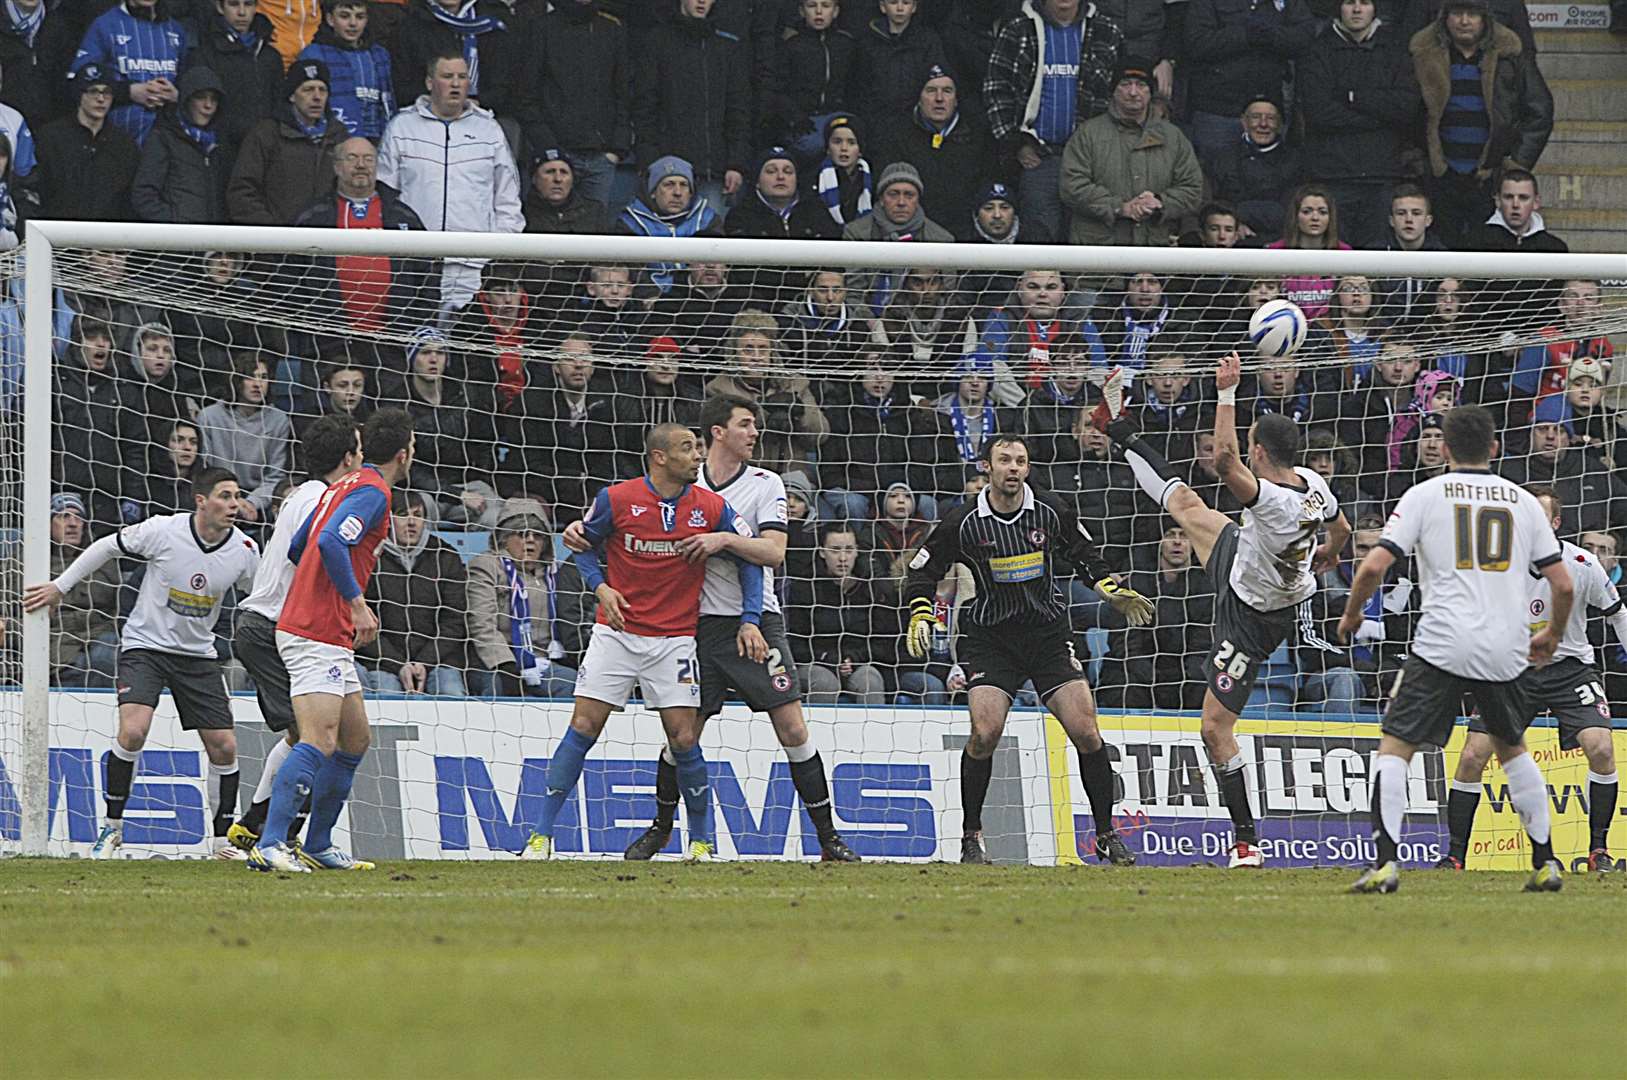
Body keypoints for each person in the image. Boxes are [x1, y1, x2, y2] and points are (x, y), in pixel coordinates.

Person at [1097, 355, 1350, 867]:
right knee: (1187, 505)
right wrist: (1331, 553)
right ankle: (1120, 429)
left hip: (1253, 615)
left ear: (1259, 450)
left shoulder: (1274, 500)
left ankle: (1247, 841)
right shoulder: (1313, 485)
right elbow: (1340, 528)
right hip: (1247, 561)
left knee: (1214, 730)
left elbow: (1225, 462)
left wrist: (1227, 392)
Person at [585, 396, 861, 862]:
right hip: (692, 627)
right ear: (717, 432)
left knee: (792, 728)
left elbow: (773, 553)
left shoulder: (764, 483)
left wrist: (725, 540)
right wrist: (580, 533)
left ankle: (829, 838)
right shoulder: (683, 480)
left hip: (755, 623)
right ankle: (661, 829)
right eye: (745, 425)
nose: (755, 433)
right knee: (683, 735)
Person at [1337, 405, 1571, 894]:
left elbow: (1373, 567)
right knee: (1512, 750)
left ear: (1443, 448)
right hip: (1505, 647)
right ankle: (1547, 861)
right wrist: (1550, 634)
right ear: (1494, 448)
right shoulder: (1524, 502)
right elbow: (1563, 585)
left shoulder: (1424, 495)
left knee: (1395, 746)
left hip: (1441, 643)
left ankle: (1384, 862)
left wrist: (1354, 612)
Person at [903, 432, 1152, 864]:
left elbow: (1084, 554)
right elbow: (922, 571)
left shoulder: (1051, 510)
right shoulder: (962, 521)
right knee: (985, 733)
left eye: (1020, 460)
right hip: (991, 639)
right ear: (988, 467)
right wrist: (922, 611)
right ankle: (971, 837)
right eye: (1004, 460)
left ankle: (1107, 834)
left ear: (1027, 468)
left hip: (1047, 636)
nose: (1013, 467)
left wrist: (1109, 588)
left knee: (1087, 732)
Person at [522, 423, 766, 863]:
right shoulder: (616, 499)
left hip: (673, 639)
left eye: (698, 448)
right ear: (659, 457)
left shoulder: (711, 508)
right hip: (616, 633)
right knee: (582, 727)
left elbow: (751, 560)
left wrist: (750, 620)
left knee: (683, 737)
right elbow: (582, 544)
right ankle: (540, 837)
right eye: (688, 449)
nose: (697, 457)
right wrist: (600, 586)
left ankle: (702, 841)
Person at [22, 467, 260, 860]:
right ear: (201, 501)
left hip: (198, 656)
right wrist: (59, 587)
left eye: (237, 496)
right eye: (225, 495)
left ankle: (222, 843)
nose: (234, 504)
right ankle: (111, 829)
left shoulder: (245, 552)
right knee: (133, 731)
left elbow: (263, 595)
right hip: (145, 646)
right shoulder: (164, 531)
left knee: (225, 746)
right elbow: (105, 547)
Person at [248, 408, 416, 873]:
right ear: (404, 454)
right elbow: (328, 545)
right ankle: (271, 842)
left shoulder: (339, 486)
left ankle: (319, 844)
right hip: (314, 631)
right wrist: (355, 601)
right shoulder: (374, 492)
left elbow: (302, 543)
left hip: (322, 628)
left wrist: (320, 590)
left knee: (355, 739)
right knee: (318, 740)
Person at [1437, 487, 1621, 873]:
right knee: (1472, 756)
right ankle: (1455, 856)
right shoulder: (1496, 565)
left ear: (1555, 523)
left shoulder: (1583, 563)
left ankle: (1598, 852)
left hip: (1569, 669)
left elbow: (1616, 613)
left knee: (1601, 748)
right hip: (1511, 670)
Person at [225, 414, 361, 854]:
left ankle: (255, 826)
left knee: (304, 736)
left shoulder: (303, 494)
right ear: (348, 457)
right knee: (316, 738)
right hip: (276, 626)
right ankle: (274, 836)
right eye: (358, 450)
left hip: (265, 625)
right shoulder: (320, 502)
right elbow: (312, 557)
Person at [377, 50, 523, 310]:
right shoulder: (402, 127)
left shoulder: (489, 130)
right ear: (430, 82)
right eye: (447, 76)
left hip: (474, 264)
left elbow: (508, 198)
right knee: (421, 341)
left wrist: (495, 250)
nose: (456, 84)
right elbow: (386, 194)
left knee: (467, 341)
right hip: (417, 262)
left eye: (462, 77)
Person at [1409, 0, 1552, 249]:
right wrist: (1418, 162)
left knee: (1487, 256)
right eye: (1457, 13)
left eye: (1472, 14)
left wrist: (1515, 163)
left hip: (1490, 177)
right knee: (1440, 257)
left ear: (1485, 18)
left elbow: (1540, 112)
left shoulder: (1510, 55)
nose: (1464, 21)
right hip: (1439, 176)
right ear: (1445, 17)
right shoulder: (1423, 54)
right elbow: (1404, 113)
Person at [983, 0, 1124, 244]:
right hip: (1039, 158)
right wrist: (1016, 143)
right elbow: (996, 88)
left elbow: (1122, 93)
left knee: (1088, 245)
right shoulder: (1018, 28)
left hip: (1092, 162)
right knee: (1040, 243)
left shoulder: (1107, 31)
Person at [1298, 0, 1420, 246]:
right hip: (1332, 174)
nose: (1356, 9)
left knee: (1376, 262)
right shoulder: (1317, 50)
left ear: (1374, 8)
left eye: (1364, 3)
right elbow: (1319, 112)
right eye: (1349, 3)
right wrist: (1380, 117)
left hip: (1382, 173)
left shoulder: (1395, 49)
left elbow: (1407, 106)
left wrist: (1353, 98)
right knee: (1335, 258)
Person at [1059, 57, 1202, 247]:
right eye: (1126, 84)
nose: (1133, 92)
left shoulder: (1173, 137)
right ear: (1113, 91)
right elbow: (1072, 186)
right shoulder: (1088, 133)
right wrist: (1120, 207)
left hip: (1153, 251)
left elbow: (1192, 189)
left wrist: (1160, 203)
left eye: (1141, 85)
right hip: (1099, 253)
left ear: (1151, 92)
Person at [632, 0, 750, 212]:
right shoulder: (657, 41)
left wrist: (736, 164)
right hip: (666, 170)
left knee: (711, 241)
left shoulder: (727, 47)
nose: (702, 1)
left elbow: (738, 110)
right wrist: (649, 159)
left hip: (713, 171)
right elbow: (645, 106)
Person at [467, 498, 586, 699]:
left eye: (538, 535)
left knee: (577, 685)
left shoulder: (554, 573)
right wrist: (506, 664)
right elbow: (482, 625)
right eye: (522, 533)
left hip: (544, 662)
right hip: (496, 662)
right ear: (504, 537)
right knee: (499, 686)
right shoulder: (486, 566)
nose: (530, 540)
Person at [0, 493, 121, 688]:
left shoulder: (100, 558)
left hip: (93, 632)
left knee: (105, 656)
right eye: (63, 516)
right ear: (47, 524)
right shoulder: (21, 561)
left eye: (78, 517)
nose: (73, 524)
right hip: (39, 632)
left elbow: (106, 598)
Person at [359, 489, 470, 696]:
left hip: (439, 660)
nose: (411, 522)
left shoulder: (445, 556)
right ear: (387, 520)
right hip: (383, 662)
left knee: (450, 691)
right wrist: (399, 664)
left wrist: (423, 663)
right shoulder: (369, 557)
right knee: (387, 695)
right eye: (402, 514)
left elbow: (454, 622)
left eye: (418, 515)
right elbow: (363, 622)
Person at [1182, 0, 1316, 169]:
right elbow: (1196, 42)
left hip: (1269, 106)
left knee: (1270, 179)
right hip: (1217, 109)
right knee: (1213, 175)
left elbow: (1305, 36)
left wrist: (1271, 35)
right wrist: (1244, 35)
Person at [1095, 525, 1216, 711]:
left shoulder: (1205, 587)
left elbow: (1202, 643)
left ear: (1193, 544)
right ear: (1159, 543)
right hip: (1140, 667)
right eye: (1170, 535)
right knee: (1120, 681)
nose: (1177, 541)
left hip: (1182, 670)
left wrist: (1185, 675)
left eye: (1184, 536)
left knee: (1204, 682)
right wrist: (1150, 676)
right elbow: (1125, 640)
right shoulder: (1135, 582)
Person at [871, 63, 993, 242]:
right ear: (918, 97)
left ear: (957, 99)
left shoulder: (977, 136)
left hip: (967, 235)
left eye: (947, 91)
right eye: (931, 90)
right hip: (914, 234)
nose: (939, 98)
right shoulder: (895, 136)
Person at [527, 0, 630, 210]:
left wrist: (616, 148)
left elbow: (625, 92)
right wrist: (549, 148)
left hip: (601, 157)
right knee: (550, 234)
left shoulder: (612, 30)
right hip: (555, 156)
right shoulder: (541, 29)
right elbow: (525, 94)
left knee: (596, 236)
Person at [705, 310, 830, 479]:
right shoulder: (719, 388)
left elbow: (821, 434)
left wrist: (799, 414)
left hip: (793, 478)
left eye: (763, 349)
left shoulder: (796, 383)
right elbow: (723, 439)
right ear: (734, 352)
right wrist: (765, 414)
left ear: (773, 351)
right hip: (743, 476)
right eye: (748, 350)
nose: (757, 357)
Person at [226, 58, 349, 227]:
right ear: (291, 95)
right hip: (278, 243)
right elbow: (242, 192)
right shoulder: (266, 134)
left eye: (323, 90)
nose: (317, 97)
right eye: (308, 90)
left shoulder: (340, 137)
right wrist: (272, 233)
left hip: (329, 244)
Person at [790, 521, 899, 706]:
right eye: (835, 550)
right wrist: (827, 658)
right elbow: (794, 643)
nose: (842, 558)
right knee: (825, 684)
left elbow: (885, 643)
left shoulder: (870, 588)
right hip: (816, 662)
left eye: (849, 550)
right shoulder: (804, 587)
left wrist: (855, 658)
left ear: (857, 551)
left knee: (870, 681)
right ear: (822, 552)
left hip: (857, 662)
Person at [69, 0, 189, 146]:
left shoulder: (176, 30)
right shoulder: (105, 25)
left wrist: (177, 95)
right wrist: (129, 91)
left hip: (170, 142)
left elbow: (192, 85)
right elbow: (78, 81)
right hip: (116, 142)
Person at [30, 63, 140, 222]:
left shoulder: (124, 144)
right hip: (57, 232)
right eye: (93, 91)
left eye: (107, 92)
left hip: (109, 236)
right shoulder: (51, 137)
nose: (101, 99)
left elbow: (129, 197)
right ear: (79, 94)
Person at [195, 352, 294, 526]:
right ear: (236, 380)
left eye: (263, 377)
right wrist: (231, 497)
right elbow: (205, 468)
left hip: (260, 501)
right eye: (250, 377)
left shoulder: (279, 419)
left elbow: (275, 475)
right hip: (217, 495)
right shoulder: (209, 417)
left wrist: (252, 502)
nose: (257, 384)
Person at [131, 65, 229, 224]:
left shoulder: (220, 144)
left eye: (214, 99)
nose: (208, 105)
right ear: (186, 100)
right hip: (175, 243)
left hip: (213, 242)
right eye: (201, 97)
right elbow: (143, 195)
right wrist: (175, 225)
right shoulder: (163, 138)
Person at [615, 155, 723, 293]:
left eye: (684, 185)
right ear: (653, 192)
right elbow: (632, 271)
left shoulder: (708, 220)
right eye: (669, 184)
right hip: (649, 301)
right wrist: (649, 296)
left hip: (697, 297)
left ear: (691, 193)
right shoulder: (630, 222)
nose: (677, 193)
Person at [762, 0, 856, 156]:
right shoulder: (791, 46)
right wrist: (794, 117)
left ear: (836, 11)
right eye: (812, 6)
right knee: (812, 145)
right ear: (801, 11)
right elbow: (777, 89)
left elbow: (855, 86)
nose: (818, 12)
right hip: (802, 120)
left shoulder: (846, 44)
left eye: (825, 6)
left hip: (837, 116)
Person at [187, 0, 283, 150]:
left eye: (248, 4)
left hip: (265, 149)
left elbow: (278, 104)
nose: (242, 12)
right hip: (220, 149)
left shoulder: (271, 56)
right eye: (234, 4)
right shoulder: (204, 54)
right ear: (220, 7)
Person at [298, 0, 396, 142]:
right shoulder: (315, 53)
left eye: (360, 17)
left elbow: (388, 102)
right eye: (344, 16)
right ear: (330, 19)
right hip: (332, 140)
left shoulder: (380, 55)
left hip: (377, 140)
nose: (353, 23)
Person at [851, 0, 947, 125]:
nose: (900, 8)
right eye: (893, 3)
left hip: (916, 120)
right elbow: (859, 86)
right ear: (882, 7)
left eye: (906, 3)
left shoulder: (927, 40)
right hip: (876, 120)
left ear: (914, 7)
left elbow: (935, 79)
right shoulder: (867, 43)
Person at [1266, 185, 1352, 319]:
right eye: (1307, 211)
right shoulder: (1275, 251)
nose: (1315, 217)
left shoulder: (1345, 253)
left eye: (1322, 212)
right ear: (1295, 216)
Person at [1469, 167, 1566, 253]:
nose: (1515, 205)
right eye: (1509, 197)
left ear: (1536, 202)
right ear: (1498, 201)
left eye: (1523, 198)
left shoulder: (1554, 248)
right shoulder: (1474, 243)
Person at [523, 149, 608, 234]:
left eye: (564, 172)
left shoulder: (594, 212)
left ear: (572, 180)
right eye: (550, 172)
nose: (558, 179)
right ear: (534, 178)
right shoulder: (521, 213)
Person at [809, 113, 872, 228]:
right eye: (837, 142)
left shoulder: (873, 180)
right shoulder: (814, 181)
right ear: (828, 149)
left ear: (860, 150)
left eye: (851, 142)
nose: (844, 148)